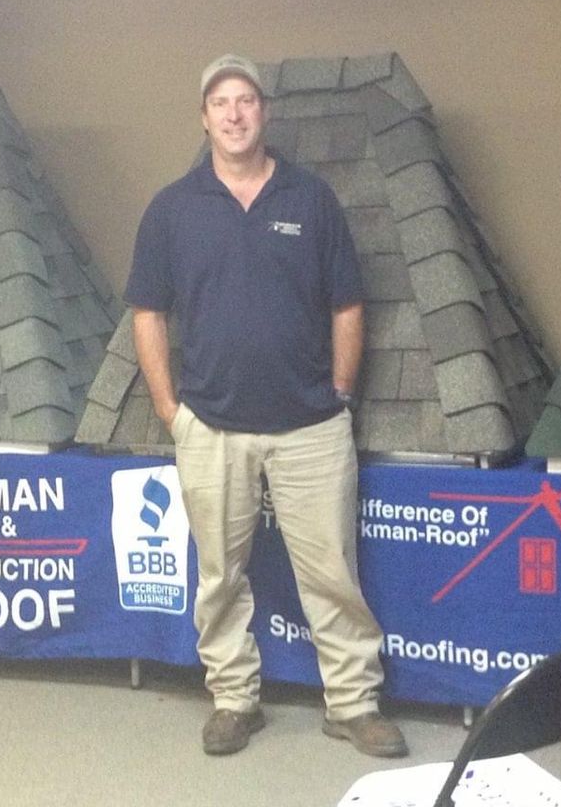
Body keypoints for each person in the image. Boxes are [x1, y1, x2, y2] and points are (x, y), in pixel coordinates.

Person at [125, 54, 407, 759]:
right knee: (219, 577)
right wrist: (170, 409)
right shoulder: (171, 210)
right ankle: (232, 698)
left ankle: (351, 704)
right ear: (204, 117)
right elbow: (148, 313)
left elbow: (348, 304)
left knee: (333, 575)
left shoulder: (311, 201)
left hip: (311, 427)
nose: (234, 113)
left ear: (264, 112)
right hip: (212, 427)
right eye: (220, 101)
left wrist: (340, 395)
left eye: (246, 99)